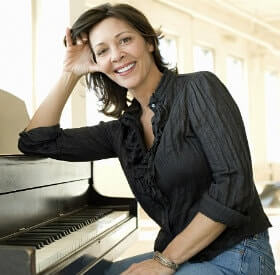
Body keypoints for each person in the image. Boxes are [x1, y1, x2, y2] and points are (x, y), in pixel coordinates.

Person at [18, 3, 276, 275]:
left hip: (237, 253)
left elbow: (233, 185)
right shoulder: (122, 132)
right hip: (183, 255)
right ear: (96, 63)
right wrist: (70, 72)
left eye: (125, 40)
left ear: (149, 43)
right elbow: (36, 141)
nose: (117, 55)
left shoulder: (198, 89)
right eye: (103, 51)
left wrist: (164, 262)